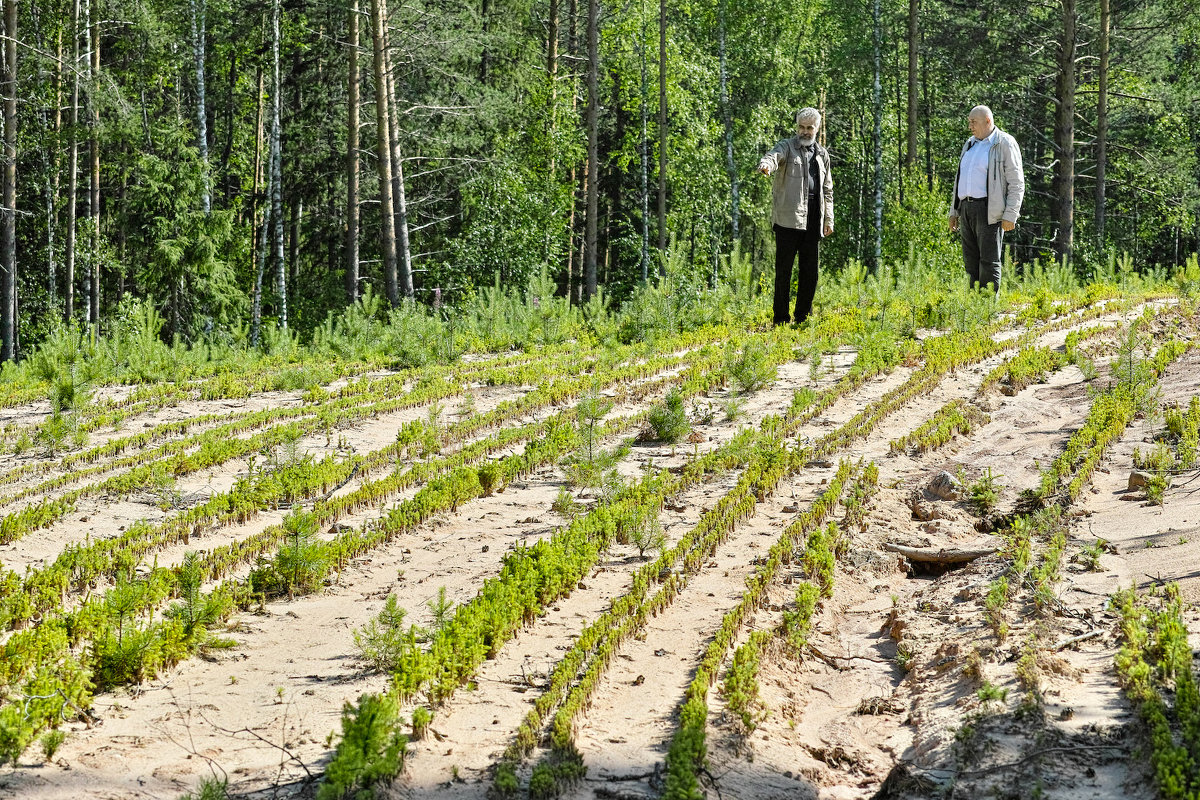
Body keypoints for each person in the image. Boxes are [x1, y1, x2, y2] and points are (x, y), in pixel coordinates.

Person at [757, 107, 834, 326]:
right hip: (787, 221)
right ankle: (780, 319)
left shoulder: (822, 155)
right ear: (796, 126)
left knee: (810, 273)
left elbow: (827, 189)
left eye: (810, 128)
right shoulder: (787, 147)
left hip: (814, 220)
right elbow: (774, 156)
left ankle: (803, 318)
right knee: (784, 273)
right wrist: (766, 165)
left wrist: (829, 219)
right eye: (801, 127)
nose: (805, 131)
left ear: (817, 129)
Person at [948, 105, 1024, 294]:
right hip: (965, 209)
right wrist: (954, 211)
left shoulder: (1004, 142)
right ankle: (974, 307)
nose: (970, 126)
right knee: (970, 261)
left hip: (989, 210)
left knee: (989, 262)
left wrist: (1011, 214)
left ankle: (988, 307)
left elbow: (1017, 182)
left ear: (988, 121)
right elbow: (960, 179)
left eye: (973, 122)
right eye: (969, 122)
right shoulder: (970, 144)